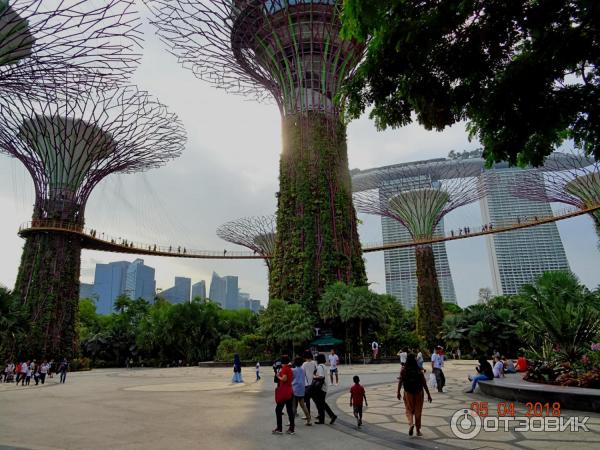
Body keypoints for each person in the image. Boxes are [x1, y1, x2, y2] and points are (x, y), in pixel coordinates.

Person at [397, 353, 432, 437]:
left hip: (408, 392)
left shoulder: (404, 370)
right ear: (415, 359)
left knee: (408, 409)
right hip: (419, 392)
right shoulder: (418, 370)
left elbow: (400, 381)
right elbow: (424, 383)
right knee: (418, 411)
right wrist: (428, 395)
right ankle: (418, 430)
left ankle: (411, 423)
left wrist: (398, 392)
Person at [273, 355, 295, 435]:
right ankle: (292, 428)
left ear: (282, 362)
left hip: (284, 392)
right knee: (289, 410)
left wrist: (278, 376)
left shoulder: (285, 368)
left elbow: (284, 378)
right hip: (289, 391)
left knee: (278, 410)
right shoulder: (289, 368)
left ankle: (279, 428)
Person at [313, 353, 337, 425]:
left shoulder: (320, 366)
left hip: (321, 388)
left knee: (320, 404)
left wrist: (314, 377)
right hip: (324, 387)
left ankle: (324, 419)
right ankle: (331, 416)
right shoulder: (324, 366)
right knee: (322, 403)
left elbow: (321, 376)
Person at [292, 357, 311, 426]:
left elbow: (291, 379)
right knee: (303, 405)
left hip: (295, 389)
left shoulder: (293, 370)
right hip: (302, 390)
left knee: (294, 406)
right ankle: (309, 420)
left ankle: (292, 422)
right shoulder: (303, 370)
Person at [302, 351, 317, 417]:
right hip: (314, 383)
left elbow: (302, 373)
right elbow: (316, 371)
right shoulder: (314, 363)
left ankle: (308, 415)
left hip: (307, 384)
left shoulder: (304, 364)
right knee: (315, 399)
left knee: (307, 401)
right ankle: (319, 413)